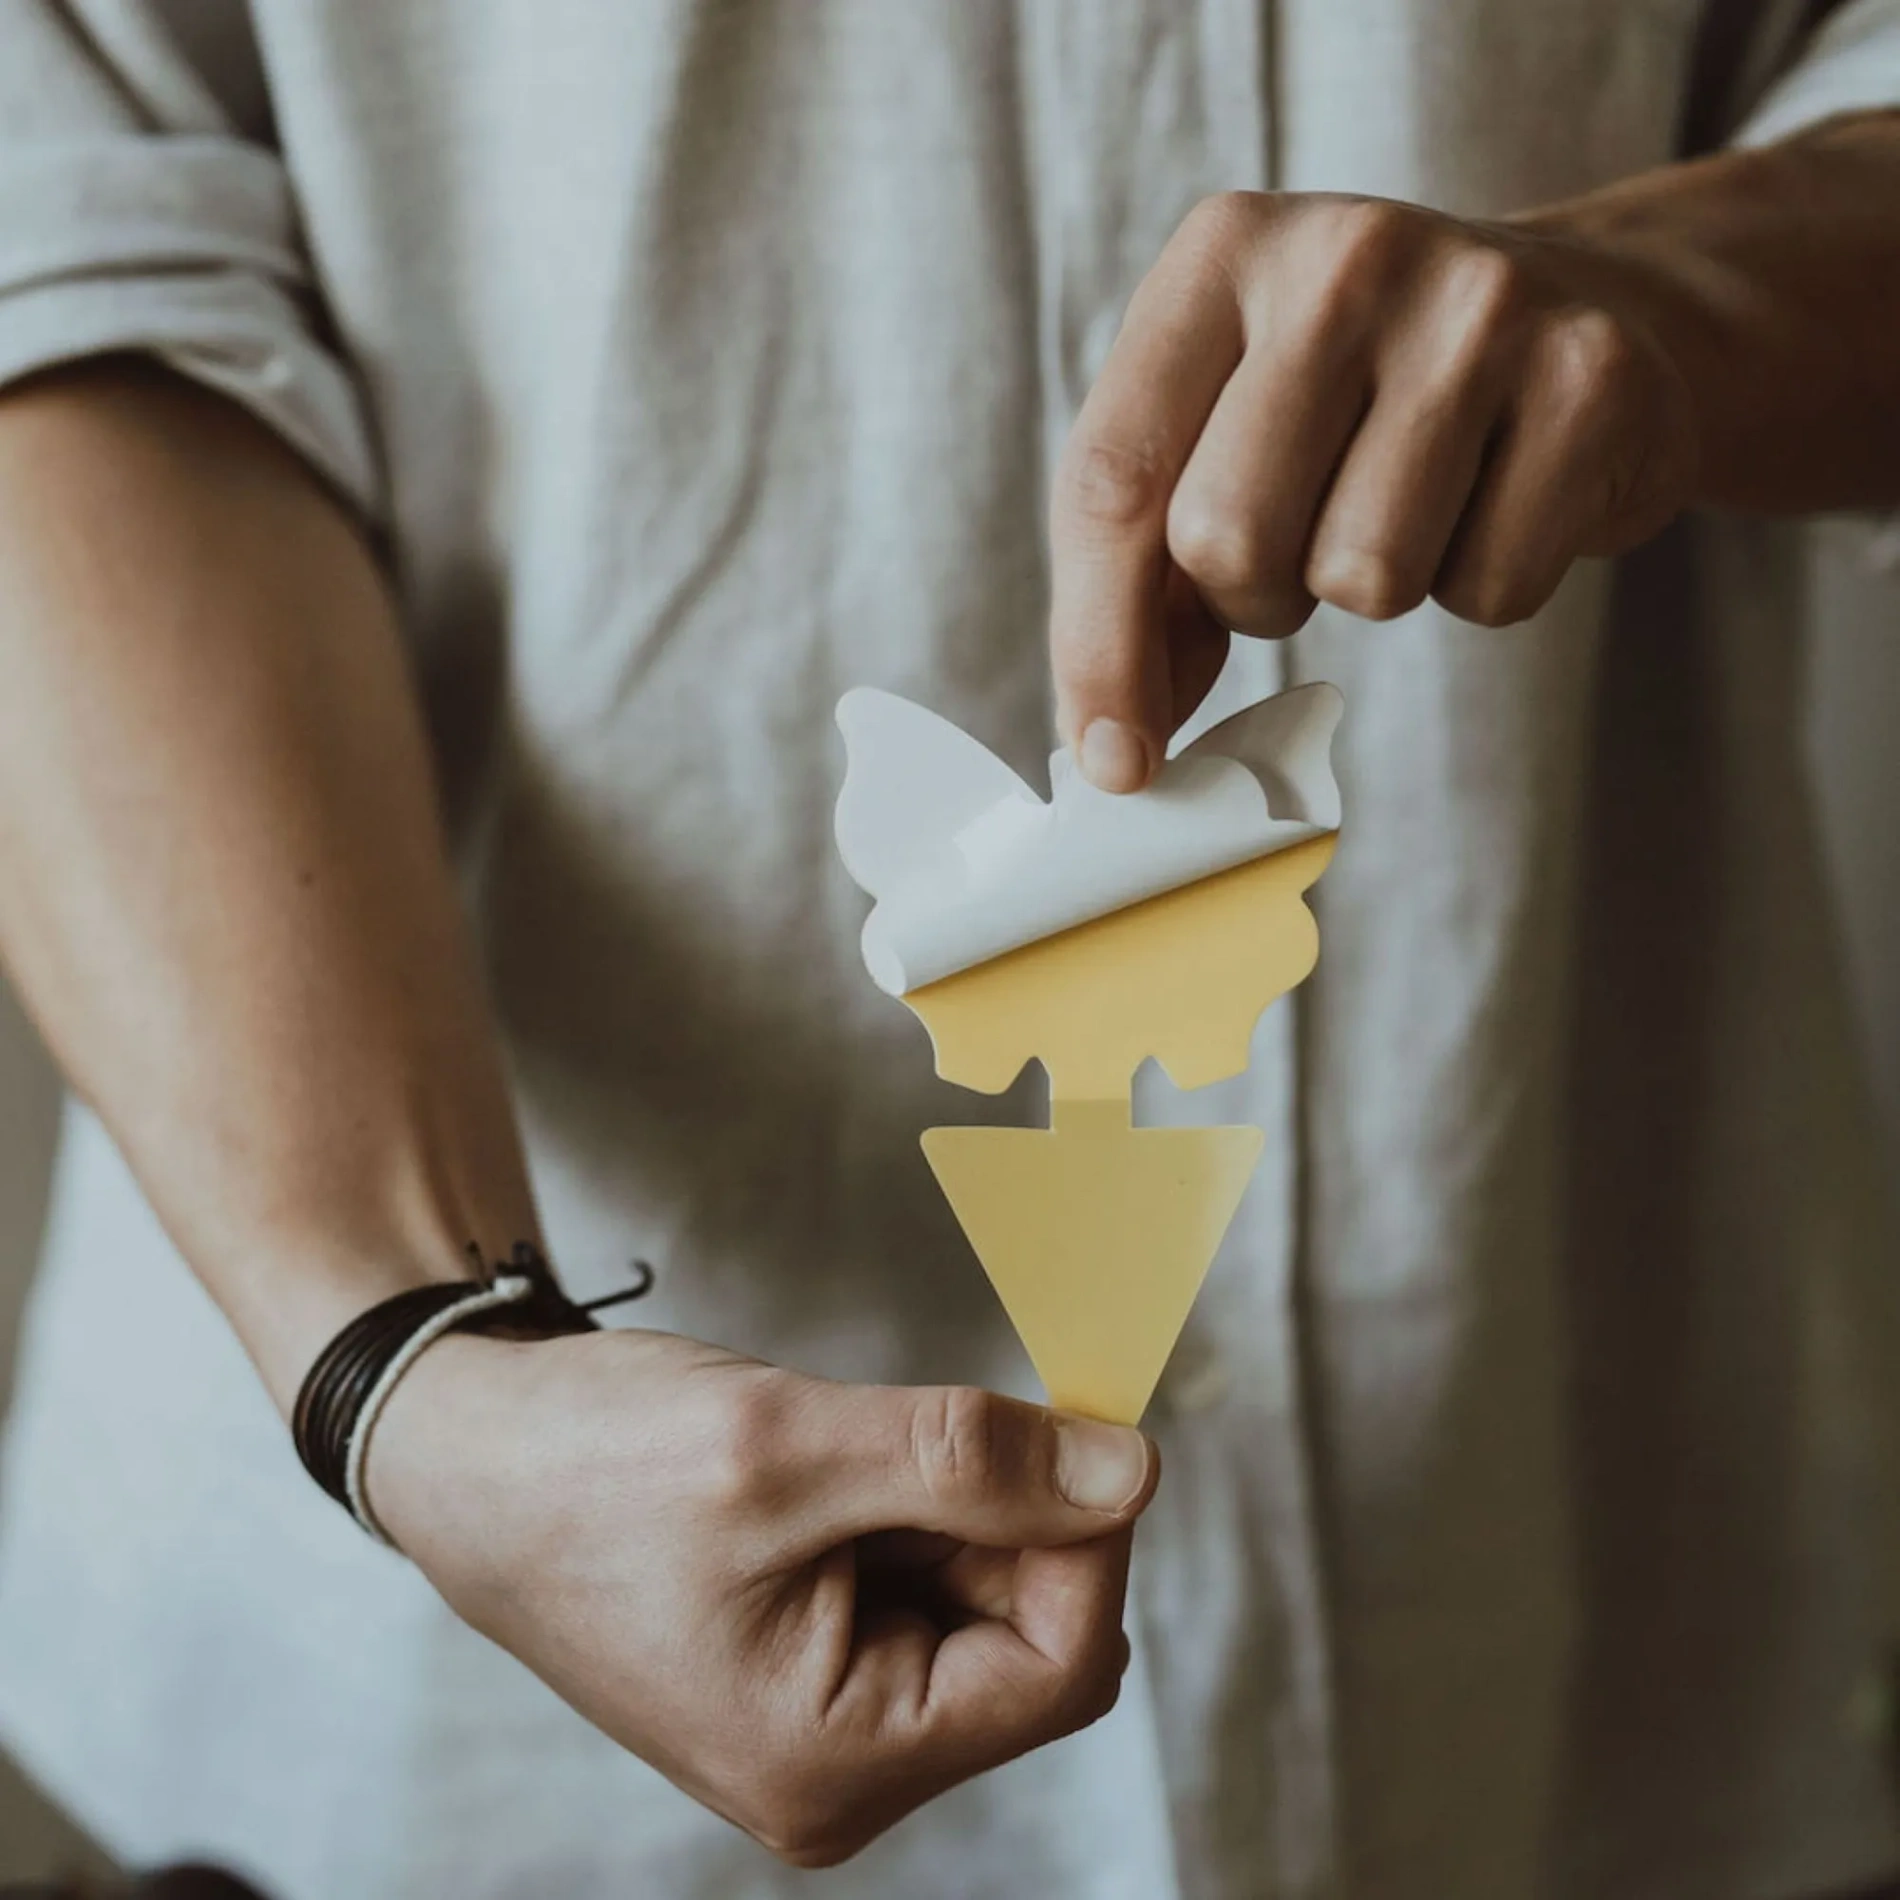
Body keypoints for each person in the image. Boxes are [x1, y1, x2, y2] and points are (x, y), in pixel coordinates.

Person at [0, 2, 1896, 1896]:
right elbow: (56, 241)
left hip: (1617, 1614)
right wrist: (420, 1360)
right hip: (460, 1731)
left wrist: (1670, 301)